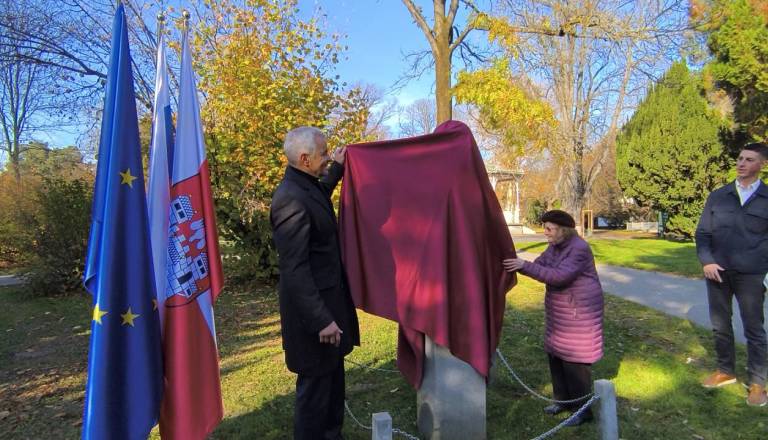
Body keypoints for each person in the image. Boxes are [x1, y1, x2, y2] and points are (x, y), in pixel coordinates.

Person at [270, 126, 360, 439]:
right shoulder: (289, 200)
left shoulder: (304, 185)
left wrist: (335, 167)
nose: (326, 157)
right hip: (314, 322)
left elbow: (319, 193)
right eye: (324, 154)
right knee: (315, 399)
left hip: (327, 311)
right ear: (305, 158)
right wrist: (322, 321)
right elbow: (294, 269)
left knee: (333, 389)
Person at [503, 210, 604, 426]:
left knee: (575, 363)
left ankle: (583, 411)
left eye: (549, 229)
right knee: (556, 356)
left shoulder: (579, 249)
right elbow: (541, 265)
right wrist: (518, 265)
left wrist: (524, 265)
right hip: (561, 313)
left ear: (563, 229)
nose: (545, 233)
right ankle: (562, 402)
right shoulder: (555, 246)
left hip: (579, 313)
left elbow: (559, 277)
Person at [695, 142, 768, 407]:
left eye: (749, 159)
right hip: (718, 272)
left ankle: (758, 383)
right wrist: (707, 262)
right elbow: (702, 234)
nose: (741, 163)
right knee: (720, 324)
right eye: (739, 158)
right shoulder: (719, 196)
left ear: (762, 165)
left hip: (752, 274)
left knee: (754, 329)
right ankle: (725, 371)